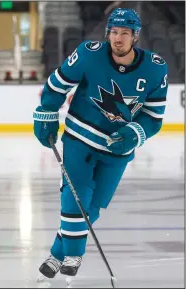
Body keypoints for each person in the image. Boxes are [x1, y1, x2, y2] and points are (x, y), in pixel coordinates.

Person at [33, 8, 168, 280]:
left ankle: (57, 254)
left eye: (124, 33)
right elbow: (57, 85)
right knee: (75, 196)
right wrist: (46, 113)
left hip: (117, 151)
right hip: (80, 139)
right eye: (114, 32)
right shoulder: (88, 53)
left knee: (93, 208)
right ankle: (73, 255)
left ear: (135, 36)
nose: (117, 39)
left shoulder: (156, 68)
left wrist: (134, 133)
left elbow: (154, 116)